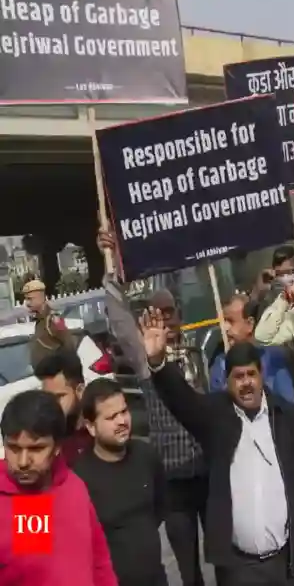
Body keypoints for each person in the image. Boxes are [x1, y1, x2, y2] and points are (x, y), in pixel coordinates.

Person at [140, 309, 294, 586]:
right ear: (227, 382)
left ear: (261, 375)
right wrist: (158, 362)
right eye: (238, 377)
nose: (246, 383)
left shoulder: (284, 415)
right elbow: (182, 400)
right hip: (240, 568)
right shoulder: (216, 416)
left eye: (251, 374)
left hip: (287, 560)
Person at [97, 228, 209, 586]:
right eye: (157, 313)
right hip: (173, 482)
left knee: (226, 559)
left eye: (170, 312)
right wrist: (110, 264)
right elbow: (118, 317)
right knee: (189, 572)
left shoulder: (196, 352)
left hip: (207, 474)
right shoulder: (145, 358)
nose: (165, 319)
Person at [0, 390, 117, 586]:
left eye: (36, 449)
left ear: (57, 447)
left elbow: (100, 562)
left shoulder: (74, 487)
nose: (22, 462)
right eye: (14, 448)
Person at [72, 379, 168, 586]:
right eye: (111, 417)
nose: (122, 421)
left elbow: (159, 508)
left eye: (124, 412)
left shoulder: (146, 455)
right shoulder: (79, 480)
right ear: (91, 427)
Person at [210, 294, 294, 403]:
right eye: (223, 322)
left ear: (249, 324)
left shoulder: (274, 359)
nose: (225, 328)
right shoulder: (220, 365)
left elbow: (289, 409)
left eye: (230, 321)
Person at [34, 350, 93, 465]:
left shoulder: (100, 428)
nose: (52, 404)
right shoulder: (46, 434)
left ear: (80, 391)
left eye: (59, 396)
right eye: (48, 397)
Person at [22, 278, 75, 368]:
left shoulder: (52, 319)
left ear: (40, 298)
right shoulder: (40, 320)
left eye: (30, 299)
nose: (27, 303)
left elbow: (69, 345)